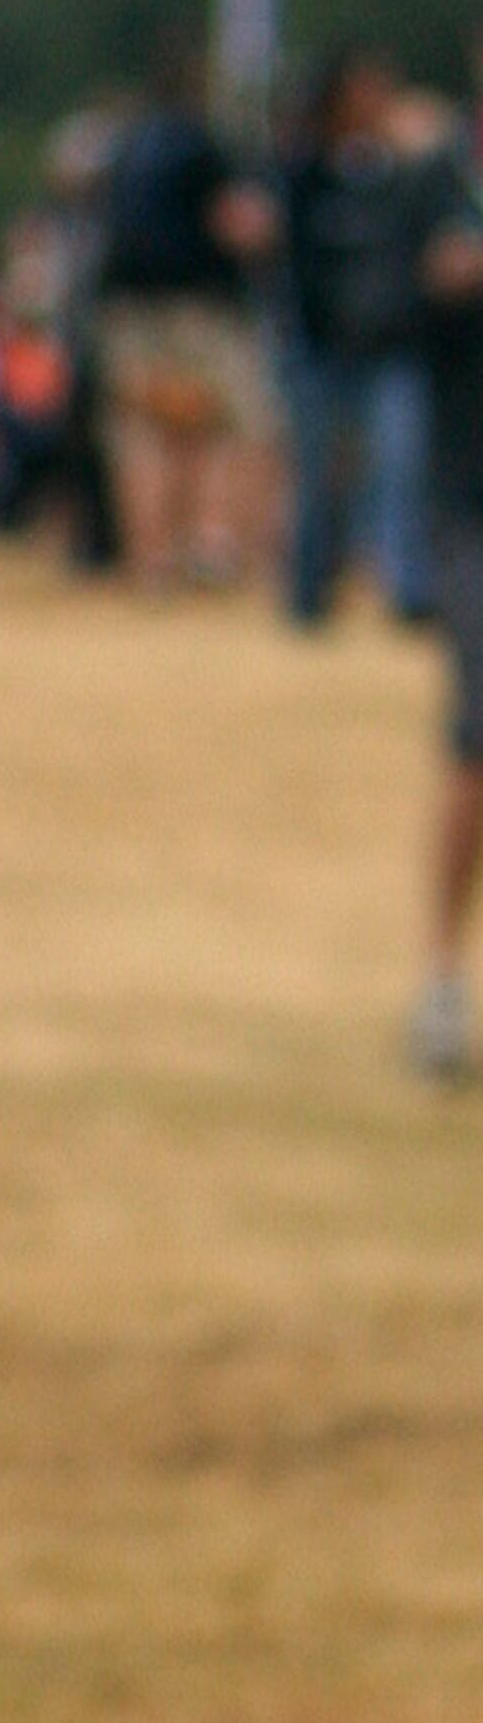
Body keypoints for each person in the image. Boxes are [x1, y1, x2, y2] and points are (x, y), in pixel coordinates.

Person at [274, 47, 449, 630]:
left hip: (392, 344)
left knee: (400, 467)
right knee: (319, 475)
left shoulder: (407, 172)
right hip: (322, 346)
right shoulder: (306, 173)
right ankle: (310, 586)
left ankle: (408, 588)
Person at [86, 47, 275, 587]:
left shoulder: (125, 146)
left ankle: (151, 558)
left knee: (142, 434)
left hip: (126, 309)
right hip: (200, 310)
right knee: (225, 424)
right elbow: (238, 225)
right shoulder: (203, 146)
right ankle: (211, 543)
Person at [398, 107, 483, 1078]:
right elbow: (369, 315)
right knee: (478, 738)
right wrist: (439, 283)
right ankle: (442, 982)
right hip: (472, 498)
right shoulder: (437, 182)